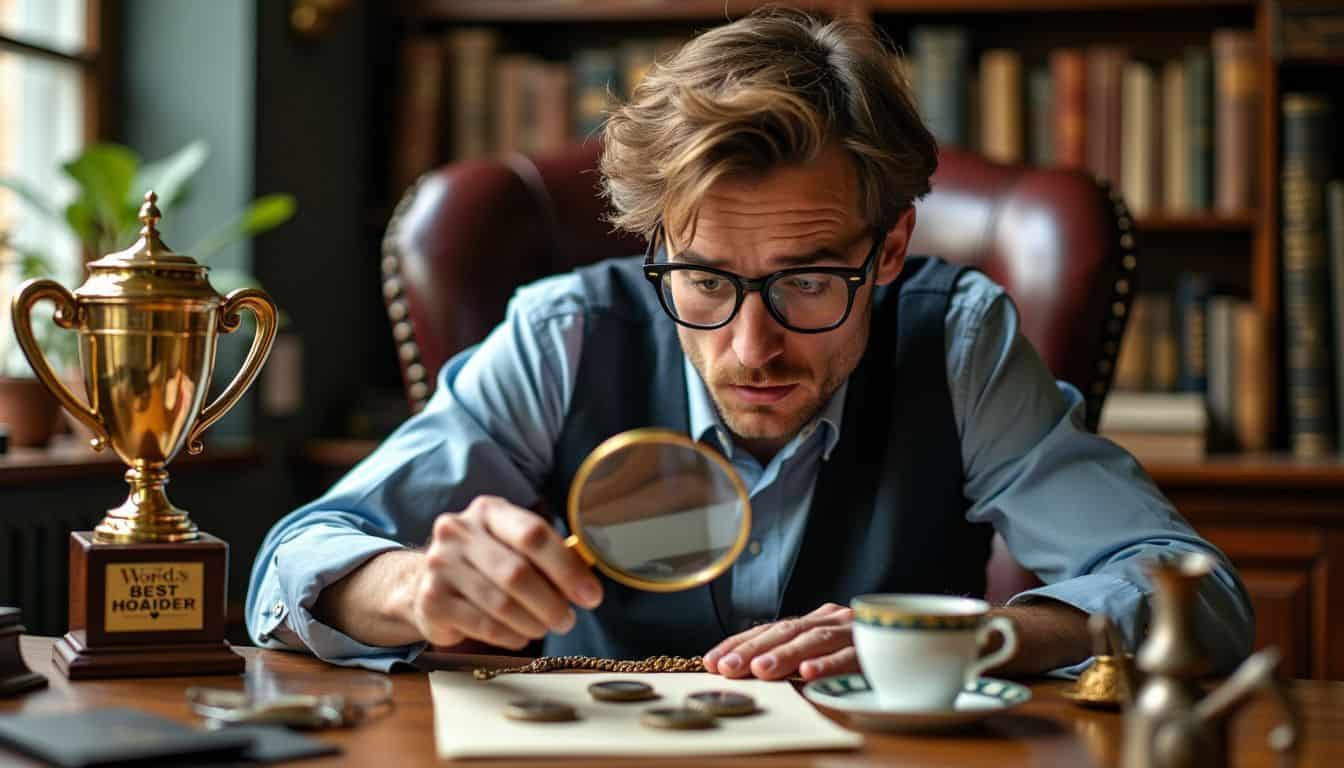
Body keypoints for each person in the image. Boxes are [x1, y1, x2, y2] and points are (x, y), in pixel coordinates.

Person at [247, 8, 1252, 679]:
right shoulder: (565, 336)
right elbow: (288, 571)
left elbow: (1193, 595)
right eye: (705, 281)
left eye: (809, 280)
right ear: (658, 249)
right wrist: (412, 590)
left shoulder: (958, 344)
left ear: (890, 247)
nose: (750, 347)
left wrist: (974, 636)